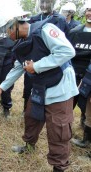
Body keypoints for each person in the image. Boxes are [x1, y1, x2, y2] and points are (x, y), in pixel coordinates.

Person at [0, 2, 78, 171]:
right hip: (40, 86)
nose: (7, 35)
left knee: (58, 130)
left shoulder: (46, 30)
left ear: (15, 25)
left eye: (7, 30)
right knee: (31, 116)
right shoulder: (21, 43)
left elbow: (68, 51)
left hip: (60, 88)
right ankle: (29, 145)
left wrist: (36, 66)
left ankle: (59, 167)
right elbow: (18, 67)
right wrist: (1, 87)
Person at [22, 0, 70, 113]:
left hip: (51, 61)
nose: (44, 5)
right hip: (33, 59)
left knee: (49, 86)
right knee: (28, 84)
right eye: (42, 2)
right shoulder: (34, 18)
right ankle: (26, 108)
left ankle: (45, 110)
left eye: (47, 2)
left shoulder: (60, 20)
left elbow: (66, 43)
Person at [69, 1, 91, 154]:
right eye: (89, 10)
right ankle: (66, 130)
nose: (90, 13)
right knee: (70, 100)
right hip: (74, 71)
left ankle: (86, 132)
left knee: (88, 106)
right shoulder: (76, 30)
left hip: (90, 75)